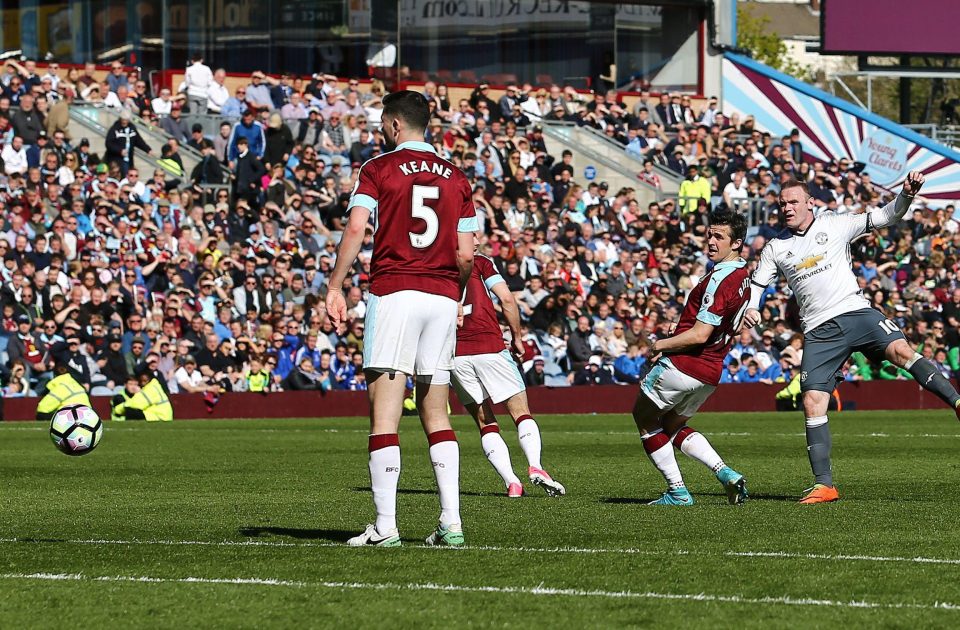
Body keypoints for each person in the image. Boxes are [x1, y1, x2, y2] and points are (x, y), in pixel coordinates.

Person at [744, 172, 960, 504]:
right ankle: (824, 485)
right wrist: (754, 308)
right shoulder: (776, 247)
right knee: (812, 401)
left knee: (902, 351)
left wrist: (906, 195)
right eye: (782, 203)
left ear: (810, 202)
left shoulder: (836, 224)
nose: (787, 208)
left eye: (793, 201)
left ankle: (956, 402)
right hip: (819, 330)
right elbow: (758, 283)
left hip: (856, 312)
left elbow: (887, 216)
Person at [325, 90, 477, 548]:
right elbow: (465, 253)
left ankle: (386, 526)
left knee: (385, 414)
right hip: (442, 296)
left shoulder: (378, 168)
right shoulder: (457, 176)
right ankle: (451, 523)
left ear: (393, 125)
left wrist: (334, 285)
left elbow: (356, 227)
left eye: (380, 124)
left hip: (395, 290)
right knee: (437, 412)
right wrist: (457, 296)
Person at [633, 209, 750, 506]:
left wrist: (662, 343)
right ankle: (724, 472)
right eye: (709, 234)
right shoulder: (742, 276)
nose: (710, 241)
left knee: (644, 418)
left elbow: (699, 334)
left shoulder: (719, 279)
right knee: (670, 425)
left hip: (685, 364)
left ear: (736, 243)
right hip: (711, 372)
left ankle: (677, 491)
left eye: (719, 237)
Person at [451, 224, 565, 498]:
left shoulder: (433, 267)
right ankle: (536, 466)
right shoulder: (480, 263)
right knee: (521, 413)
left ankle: (511, 482)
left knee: (485, 423)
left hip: (455, 354)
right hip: (490, 345)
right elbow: (507, 300)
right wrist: (516, 337)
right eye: (473, 234)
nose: (477, 239)